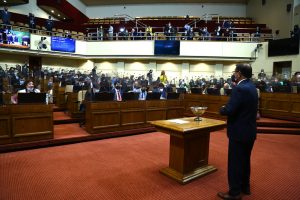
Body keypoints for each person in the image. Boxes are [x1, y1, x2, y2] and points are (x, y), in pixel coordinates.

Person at [218, 63, 258, 200]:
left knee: (235, 163)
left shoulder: (239, 88)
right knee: (245, 161)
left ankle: (234, 193)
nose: (234, 74)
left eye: (235, 72)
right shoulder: (252, 87)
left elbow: (229, 110)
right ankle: (245, 187)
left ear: (239, 73)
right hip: (250, 131)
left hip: (239, 132)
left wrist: (222, 108)